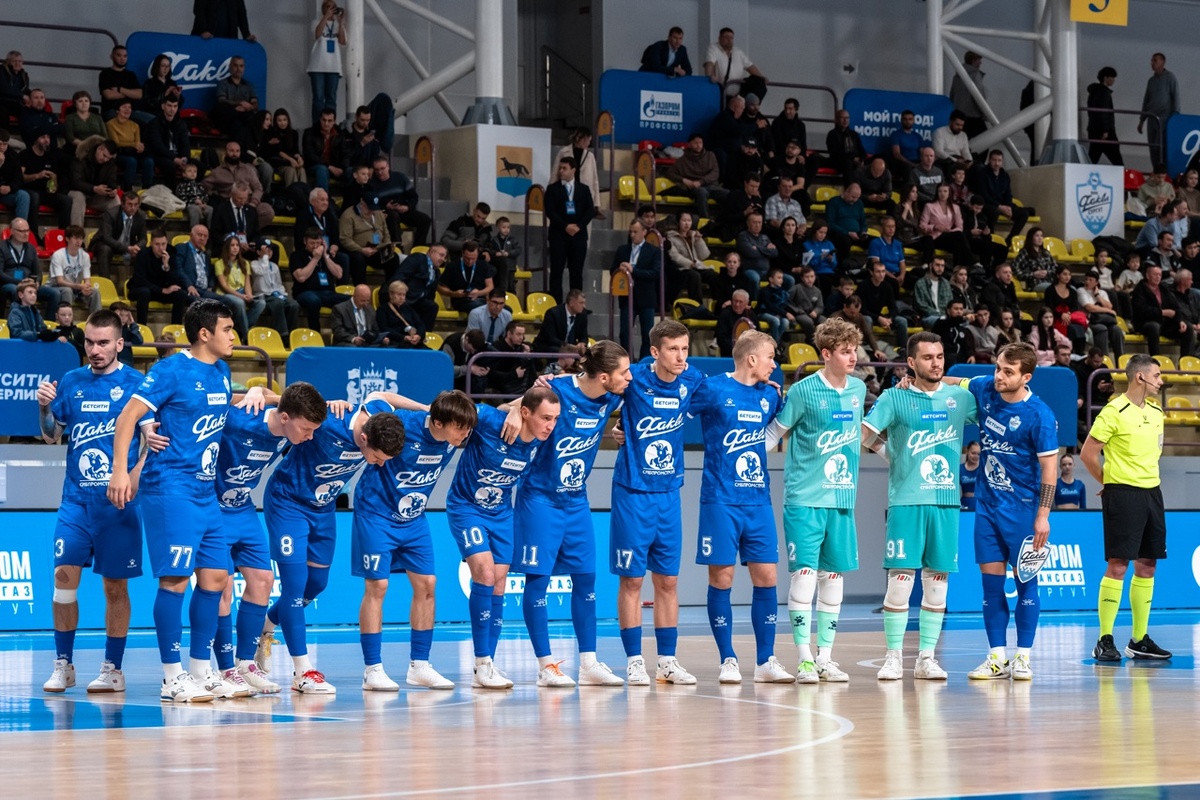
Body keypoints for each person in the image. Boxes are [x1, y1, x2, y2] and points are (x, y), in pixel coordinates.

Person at [105, 301, 238, 701]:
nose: (234, 336)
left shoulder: (223, 371)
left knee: (216, 578)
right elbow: (127, 417)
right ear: (204, 334)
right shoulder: (170, 371)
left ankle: (200, 671)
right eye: (228, 329)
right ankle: (172, 676)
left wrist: (260, 393)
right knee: (176, 580)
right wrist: (119, 470)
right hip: (170, 489)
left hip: (205, 492)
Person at [254, 392, 406, 693]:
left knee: (316, 584)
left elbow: (382, 395)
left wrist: (426, 407)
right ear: (363, 439)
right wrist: (258, 393)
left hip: (323, 509)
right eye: (377, 457)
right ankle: (303, 672)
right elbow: (292, 404)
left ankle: (266, 627)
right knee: (294, 587)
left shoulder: (377, 415)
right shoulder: (329, 421)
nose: (378, 465)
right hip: (288, 503)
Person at [36, 309, 147, 693]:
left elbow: (151, 441)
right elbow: (51, 435)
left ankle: (113, 669)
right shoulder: (72, 380)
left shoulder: (136, 384)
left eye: (103, 343)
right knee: (63, 582)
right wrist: (44, 406)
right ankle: (63, 664)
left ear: (119, 343)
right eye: (89, 342)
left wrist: (133, 476)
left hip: (117, 505)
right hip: (75, 502)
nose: (95, 350)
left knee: (115, 588)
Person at [511, 340, 631, 687]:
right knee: (538, 582)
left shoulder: (612, 397)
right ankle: (546, 665)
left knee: (586, 580)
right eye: (624, 373)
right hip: (540, 499)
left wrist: (620, 429)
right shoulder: (557, 390)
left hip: (576, 501)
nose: (630, 378)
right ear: (604, 377)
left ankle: (589, 663)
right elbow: (521, 407)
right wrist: (514, 408)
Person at [938, 342, 1060, 682]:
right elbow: (952, 381)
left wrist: (1043, 515)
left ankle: (1023, 658)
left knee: (1026, 584)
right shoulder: (985, 389)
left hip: (1023, 511)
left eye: (1008, 372)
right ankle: (996, 658)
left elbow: (1049, 470)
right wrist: (918, 383)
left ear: (1026, 377)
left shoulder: (1039, 415)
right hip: (987, 508)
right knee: (990, 587)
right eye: (997, 368)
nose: (998, 376)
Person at [862, 332, 977, 681]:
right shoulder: (894, 397)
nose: (936, 363)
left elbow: (995, 399)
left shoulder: (960, 398)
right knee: (900, 583)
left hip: (945, 502)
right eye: (928, 357)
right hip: (907, 501)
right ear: (911, 362)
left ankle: (926, 658)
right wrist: (893, 455)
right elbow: (865, 435)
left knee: (937, 585)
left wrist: (956, 379)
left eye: (940, 356)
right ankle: (893, 657)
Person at [210, 382, 331, 695]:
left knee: (263, 580)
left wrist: (262, 391)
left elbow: (289, 399)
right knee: (223, 587)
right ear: (286, 418)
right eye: (306, 429)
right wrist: (248, 395)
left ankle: (245, 664)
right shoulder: (238, 420)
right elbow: (207, 400)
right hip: (212, 506)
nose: (310, 437)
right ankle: (224, 669)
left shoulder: (288, 430)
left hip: (243, 507)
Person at [763, 318, 866, 683]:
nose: (852, 357)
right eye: (845, 351)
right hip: (805, 498)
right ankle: (804, 659)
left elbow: (863, 433)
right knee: (804, 578)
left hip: (842, 499)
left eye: (854, 350)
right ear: (825, 354)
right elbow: (774, 434)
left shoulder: (858, 389)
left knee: (833, 578)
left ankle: (825, 657)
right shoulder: (804, 391)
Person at [605, 320, 707, 686]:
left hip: (668, 495)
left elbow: (730, 389)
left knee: (668, 581)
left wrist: (763, 382)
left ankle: (667, 661)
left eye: (685, 348)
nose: (681, 356)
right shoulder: (632, 378)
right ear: (654, 352)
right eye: (673, 349)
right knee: (632, 581)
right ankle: (634, 661)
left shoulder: (692, 379)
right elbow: (593, 390)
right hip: (633, 492)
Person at [351, 390, 475, 690]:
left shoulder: (457, 431)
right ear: (438, 422)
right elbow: (376, 396)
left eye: (468, 428)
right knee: (378, 586)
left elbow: (506, 411)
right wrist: (422, 405)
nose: (466, 433)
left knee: (427, 585)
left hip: (414, 518)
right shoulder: (403, 424)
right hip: (376, 513)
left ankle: (420, 665)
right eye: (460, 428)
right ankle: (372, 669)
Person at [688, 331, 790, 683]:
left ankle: (765, 661)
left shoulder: (770, 395)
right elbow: (672, 411)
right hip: (720, 499)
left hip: (758, 500)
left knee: (768, 578)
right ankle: (727, 659)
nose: (774, 364)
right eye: (770, 357)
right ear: (752, 358)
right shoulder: (713, 388)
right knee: (723, 578)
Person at [447, 386, 560, 688]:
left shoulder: (540, 442)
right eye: (545, 418)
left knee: (498, 583)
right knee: (484, 575)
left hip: (501, 513)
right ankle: (481, 662)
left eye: (554, 419)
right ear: (526, 413)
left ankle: (488, 665)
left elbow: (559, 384)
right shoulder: (489, 420)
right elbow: (453, 407)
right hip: (466, 507)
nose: (550, 425)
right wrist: (509, 409)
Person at [1081, 354, 1172, 662]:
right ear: (1140, 377)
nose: (1161, 381)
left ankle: (1139, 639)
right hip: (1123, 494)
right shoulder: (1114, 411)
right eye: (1157, 375)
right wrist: (1108, 483)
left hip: (1152, 493)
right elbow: (1088, 454)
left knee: (1147, 564)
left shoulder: (1157, 412)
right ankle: (1104, 639)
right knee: (1118, 564)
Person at [545, 156, 596, 303]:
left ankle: (576, 305)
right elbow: (550, 211)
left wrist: (578, 226)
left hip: (578, 236)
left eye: (564, 168)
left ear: (573, 170)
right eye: (560, 168)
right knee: (556, 271)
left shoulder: (583, 189)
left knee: (576, 272)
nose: (561, 171)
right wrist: (565, 226)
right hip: (558, 235)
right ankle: (556, 305)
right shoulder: (552, 189)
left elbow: (590, 210)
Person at [202, 140, 274, 229]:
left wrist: (253, 203)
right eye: (231, 151)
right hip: (230, 206)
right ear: (225, 152)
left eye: (237, 151)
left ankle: (246, 232)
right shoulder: (217, 172)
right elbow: (203, 187)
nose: (235, 154)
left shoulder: (248, 169)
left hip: (249, 203)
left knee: (267, 211)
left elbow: (258, 188)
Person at [1133, 263, 1194, 357]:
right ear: (1147, 276)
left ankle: (1185, 360)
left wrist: (1180, 320)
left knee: (1188, 328)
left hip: (1165, 324)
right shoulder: (1140, 289)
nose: (1158, 277)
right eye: (1155, 274)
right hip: (1145, 323)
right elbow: (1141, 310)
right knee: (1154, 327)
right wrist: (1161, 312)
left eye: (1160, 275)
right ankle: (1156, 359)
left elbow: (1176, 307)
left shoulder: (1164, 289)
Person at [291, 227, 346, 331]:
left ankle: (343, 333)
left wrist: (325, 255)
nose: (315, 246)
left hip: (328, 292)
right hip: (306, 292)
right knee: (314, 301)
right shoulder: (297, 256)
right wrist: (315, 258)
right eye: (312, 243)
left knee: (350, 300)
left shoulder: (326, 256)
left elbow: (339, 274)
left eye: (318, 243)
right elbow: (301, 277)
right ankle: (315, 333)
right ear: (305, 242)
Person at [370, 155, 431, 248]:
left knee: (425, 219)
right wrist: (385, 206)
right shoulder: (372, 184)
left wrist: (407, 207)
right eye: (377, 170)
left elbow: (413, 197)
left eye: (382, 169)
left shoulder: (400, 177)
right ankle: (397, 247)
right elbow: (372, 203)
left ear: (388, 167)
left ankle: (417, 248)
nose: (380, 172)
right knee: (393, 217)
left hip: (403, 209)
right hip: (385, 212)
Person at [971, 149, 1030, 245]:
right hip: (988, 203)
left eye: (999, 160)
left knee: (1024, 214)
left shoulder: (1004, 175)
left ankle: (1009, 241)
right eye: (994, 160)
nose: (996, 163)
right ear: (989, 160)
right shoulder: (982, 174)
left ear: (1002, 162)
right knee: (994, 212)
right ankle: (990, 238)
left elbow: (1008, 193)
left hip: (1002, 204)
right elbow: (983, 194)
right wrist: (999, 206)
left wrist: (1008, 207)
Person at [213, 236, 264, 340]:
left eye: (237, 245)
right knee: (239, 302)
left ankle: (238, 328)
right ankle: (246, 336)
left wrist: (248, 294)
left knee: (261, 303)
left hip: (242, 292)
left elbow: (247, 283)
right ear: (227, 247)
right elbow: (224, 286)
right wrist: (241, 296)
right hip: (226, 294)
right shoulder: (219, 263)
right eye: (232, 245)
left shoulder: (245, 263)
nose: (235, 247)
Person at [664, 133, 726, 219]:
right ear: (689, 145)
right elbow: (670, 173)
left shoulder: (710, 155)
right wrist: (684, 180)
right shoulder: (683, 160)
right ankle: (705, 220)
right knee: (701, 192)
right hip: (695, 188)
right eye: (695, 143)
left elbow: (715, 173)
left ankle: (725, 220)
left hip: (711, 186)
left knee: (728, 194)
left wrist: (701, 182)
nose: (698, 145)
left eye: (700, 142)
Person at [249, 239, 299, 339]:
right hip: (263, 296)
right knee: (278, 303)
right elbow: (261, 272)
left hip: (276, 295)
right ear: (258, 252)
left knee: (294, 304)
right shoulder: (254, 264)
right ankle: (282, 334)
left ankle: (291, 334)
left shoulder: (274, 266)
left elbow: (278, 284)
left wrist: (283, 294)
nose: (269, 253)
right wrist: (265, 257)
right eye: (266, 250)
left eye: (270, 250)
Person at [308, 1, 346, 125]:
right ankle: (317, 125)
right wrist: (325, 17)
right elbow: (317, 34)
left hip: (334, 66)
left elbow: (342, 41)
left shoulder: (337, 24)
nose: (332, 10)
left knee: (331, 98)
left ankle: (330, 124)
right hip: (317, 66)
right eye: (329, 7)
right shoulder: (316, 22)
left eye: (333, 7)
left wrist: (341, 22)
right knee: (318, 98)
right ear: (323, 9)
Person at [49, 226, 101, 316]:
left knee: (95, 292)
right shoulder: (58, 255)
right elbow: (60, 281)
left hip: (77, 289)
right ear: (67, 239)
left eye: (81, 238)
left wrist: (86, 287)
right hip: (57, 287)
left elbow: (87, 279)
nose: (78, 241)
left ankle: (97, 320)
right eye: (76, 238)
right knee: (67, 290)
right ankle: (68, 321)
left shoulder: (85, 256)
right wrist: (78, 286)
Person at [393, 242, 445, 333]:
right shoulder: (417, 258)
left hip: (417, 301)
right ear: (432, 252)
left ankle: (424, 335)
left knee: (432, 306)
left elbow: (431, 294)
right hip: (404, 297)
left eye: (444, 257)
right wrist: (401, 296)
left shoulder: (436, 272)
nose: (443, 259)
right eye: (441, 255)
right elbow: (399, 277)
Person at [1138, 53, 1179, 168]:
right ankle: (1155, 170)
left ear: (1162, 62)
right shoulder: (1151, 81)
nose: (1152, 63)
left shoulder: (1170, 77)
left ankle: (1163, 171)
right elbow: (1146, 100)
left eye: (1155, 60)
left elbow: (1176, 97)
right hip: (1151, 117)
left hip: (1164, 118)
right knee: (1152, 147)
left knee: (1160, 146)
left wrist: (1175, 118)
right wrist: (1142, 120)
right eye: (1151, 61)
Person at [211, 56, 259, 152]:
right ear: (230, 67)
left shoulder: (248, 85)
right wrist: (239, 104)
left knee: (247, 120)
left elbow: (255, 104)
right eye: (235, 65)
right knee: (223, 109)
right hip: (228, 118)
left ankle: (241, 151)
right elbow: (221, 101)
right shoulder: (223, 83)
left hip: (243, 117)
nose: (238, 69)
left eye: (241, 66)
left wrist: (247, 107)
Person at [703, 27, 767, 100]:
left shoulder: (738, 52)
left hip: (738, 93)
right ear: (719, 38)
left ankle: (753, 104)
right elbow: (709, 63)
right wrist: (710, 76)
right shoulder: (713, 48)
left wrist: (761, 78)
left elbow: (750, 66)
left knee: (759, 82)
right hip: (721, 93)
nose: (729, 40)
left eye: (731, 38)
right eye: (726, 37)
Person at [438, 239, 494, 314]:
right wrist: (453, 293)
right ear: (462, 253)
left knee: (504, 308)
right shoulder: (452, 266)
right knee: (478, 307)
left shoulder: (483, 265)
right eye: (467, 258)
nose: (470, 261)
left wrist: (479, 293)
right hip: (461, 300)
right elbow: (440, 287)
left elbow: (490, 286)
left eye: (473, 258)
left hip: (480, 298)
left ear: (478, 255)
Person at [303, 108, 347, 192]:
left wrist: (342, 168)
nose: (326, 123)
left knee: (351, 171)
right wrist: (329, 166)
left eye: (329, 121)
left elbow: (345, 153)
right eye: (324, 120)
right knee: (322, 169)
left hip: (335, 167)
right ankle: (322, 198)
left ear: (334, 122)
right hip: (315, 166)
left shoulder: (339, 134)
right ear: (320, 119)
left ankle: (352, 200)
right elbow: (309, 154)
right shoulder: (310, 133)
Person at [532, 288, 587, 352]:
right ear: (571, 303)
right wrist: (567, 346)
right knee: (560, 351)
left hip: (570, 348)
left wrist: (582, 343)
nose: (584, 306)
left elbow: (584, 336)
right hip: (549, 346)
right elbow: (551, 338)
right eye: (581, 303)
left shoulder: (582, 315)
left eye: (584, 303)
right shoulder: (553, 313)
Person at [1087, 67, 1122, 166]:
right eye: (1112, 77)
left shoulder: (1093, 92)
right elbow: (1104, 112)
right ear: (1105, 78)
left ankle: (1084, 173)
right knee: (1117, 160)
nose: (1113, 80)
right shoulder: (1105, 93)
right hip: (1105, 132)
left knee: (1093, 158)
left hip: (1093, 129)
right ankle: (1121, 176)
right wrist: (1105, 130)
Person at [824, 183, 867, 264]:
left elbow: (863, 221)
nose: (855, 200)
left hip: (857, 235)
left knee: (875, 241)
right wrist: (847, 233)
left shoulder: (859, 203)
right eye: (853, 197)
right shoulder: (834, 202)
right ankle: (844, 265)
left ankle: (874, 267)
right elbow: (830, 223)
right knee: (845, 241)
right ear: (846, 192)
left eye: (857, 198)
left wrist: (863, 231)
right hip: (840, 234)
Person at [949, 51, 987, 139]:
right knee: (984, 140)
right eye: (979, 60)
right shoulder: (975, 75)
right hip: (974, 117)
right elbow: (978, 97)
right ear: (973, 60)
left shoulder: (957, 76)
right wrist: (985, 114)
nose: (980, 62)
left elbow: (952, 96)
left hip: (959, 116)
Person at [376, 280, 425, 348]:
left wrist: (418, 335)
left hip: (413, 342)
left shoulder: (408, 308)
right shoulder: (382, 310)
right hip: (396, 342)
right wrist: (403, 337)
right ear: (391, 295)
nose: (401, 298)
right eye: (399, 294)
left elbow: (420, 324)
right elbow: (384, 329)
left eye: (403, 295)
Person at [0, 129, 31, 226]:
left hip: (6, 192)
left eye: (5, 144)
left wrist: (10, 187)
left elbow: (19, 179)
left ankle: (20, 229)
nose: (2, 147)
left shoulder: (12, 155)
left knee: (23, 196)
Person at [826, 109, 867, 178]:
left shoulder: (853, 134)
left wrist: (862, 159)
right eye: (843, 118)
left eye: (847, 118)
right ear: (836, 120)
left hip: (855, 161)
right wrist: (852, 158)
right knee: (847, 163)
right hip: (840, 162)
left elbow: (861, 149)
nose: (845, 120)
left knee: (878, 159)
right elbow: (835, 153)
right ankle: (850, 184)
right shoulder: (832, 134)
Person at [888, 111, 928, 179]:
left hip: (917, 161)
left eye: (910, 119)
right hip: (903, 162)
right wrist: (912, 164)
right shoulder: (896, 135)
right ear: (901, 120)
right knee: (908, 168)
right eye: (905, 119)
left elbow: (922, 152)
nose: (908, 121)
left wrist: (924, 162)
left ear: (913, 120)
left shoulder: (917, 136)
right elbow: (896, 154)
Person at [915, 256, 952, 328]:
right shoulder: (920, 283)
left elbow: (950, 303)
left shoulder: (946, 283)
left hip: (945, 316)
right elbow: (921, 305)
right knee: (943, 322)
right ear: (930, 265)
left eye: (942, 266)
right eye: (937, 265)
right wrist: (940, 315)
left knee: (965, 322)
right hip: (928, 316)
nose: (940, 268)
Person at [960, 440, 981, 511]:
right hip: (964, 503)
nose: (976, 456)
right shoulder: (960, 469)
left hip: (979, 504)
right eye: (973, 453)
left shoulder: (983, 470)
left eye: (978, 454)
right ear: (967, 451)